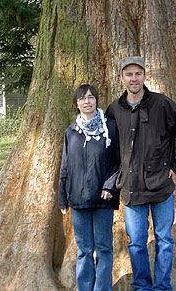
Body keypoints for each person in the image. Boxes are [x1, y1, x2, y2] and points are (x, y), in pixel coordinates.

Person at [106, 56, 176, 291]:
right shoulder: (115, 109)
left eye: (138, 74)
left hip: (161, 186)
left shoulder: (162, 104)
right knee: (136, 243)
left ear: (145, 76)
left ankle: (162, 287)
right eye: (129, 74)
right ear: (122, 78)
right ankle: (142, 286)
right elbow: (108, 145)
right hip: (131, 188)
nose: (133, 79)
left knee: (164, 240)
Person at [58, 84, 120, 291]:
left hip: (103, 199)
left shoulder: (110, 128)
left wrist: (110, 186)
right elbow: (65, 166)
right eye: (83, 98)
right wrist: (62, 198)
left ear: (96, 100)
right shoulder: (71, 132)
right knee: (84, 249)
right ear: (77, 103)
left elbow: (119, 162)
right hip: (78, 200)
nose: (87, 101)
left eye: (91, 97)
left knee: (104, 248)